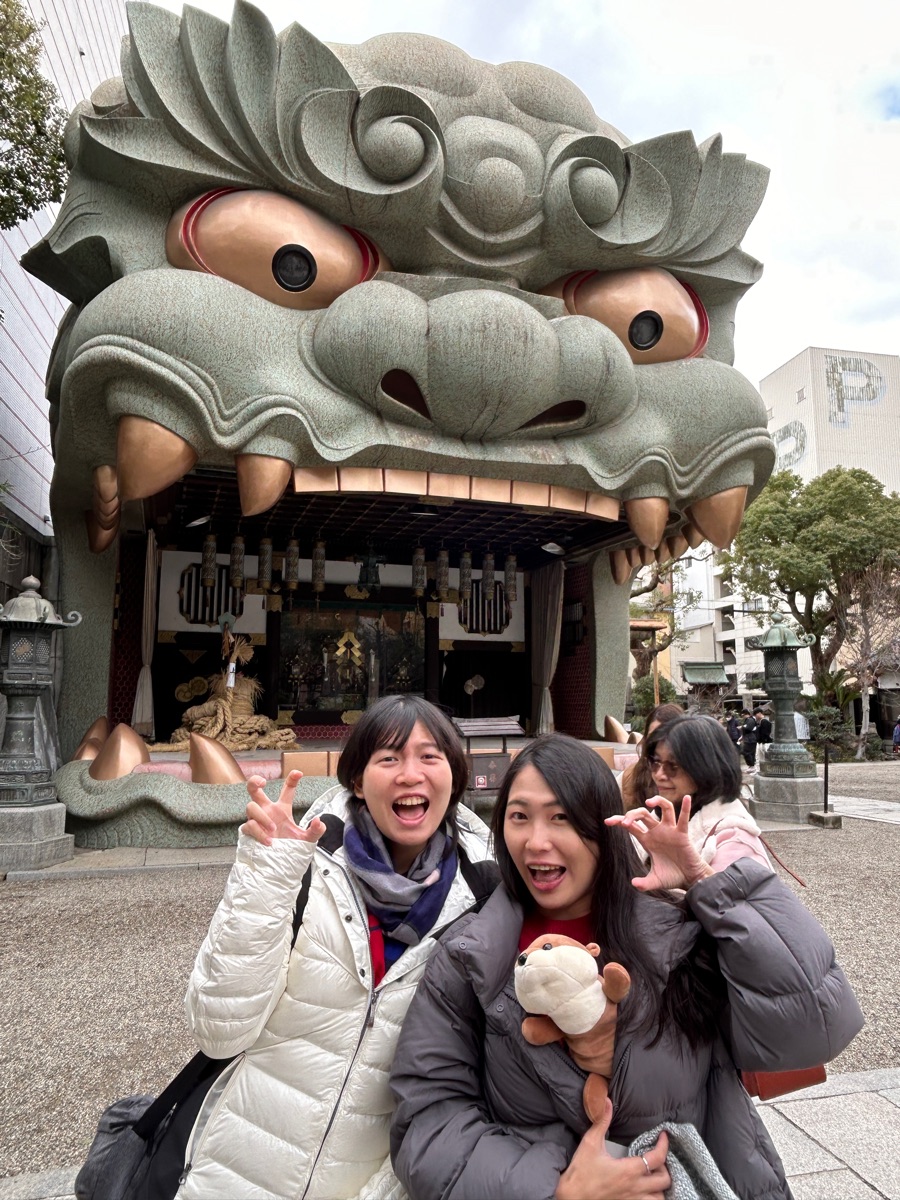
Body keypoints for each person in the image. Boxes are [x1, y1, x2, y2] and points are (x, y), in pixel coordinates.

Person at [389, 733, 863, 1200]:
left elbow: (812, 1030)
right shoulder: (471, 955)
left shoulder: (676, 933)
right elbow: (428, 1121)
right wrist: (556, 1189)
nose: (536, 841)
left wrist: (707, 883)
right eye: (519, 817)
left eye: (561, 817)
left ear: (604, 826)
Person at [174, 695, 492, 1200]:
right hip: (238, 1170)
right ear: (357, 781)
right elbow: (218, 1032)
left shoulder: (485, 900)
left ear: (454, 776)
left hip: (367, 1183)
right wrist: (268, 875)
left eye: (430, 757)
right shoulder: (302, 867)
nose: (411, 774)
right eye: (389, 758)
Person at [643, 713, 769, 873]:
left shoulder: (735, 843)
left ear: (707, 767)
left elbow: (731, 889)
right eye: (655, 762)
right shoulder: (658, 817)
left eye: (673, 765)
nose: (659, 775)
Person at [618, 702, 683, 812]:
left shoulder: (693, 779)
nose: (659, 745)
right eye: (653, 738)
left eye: (667, 737)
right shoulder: (628, 779)